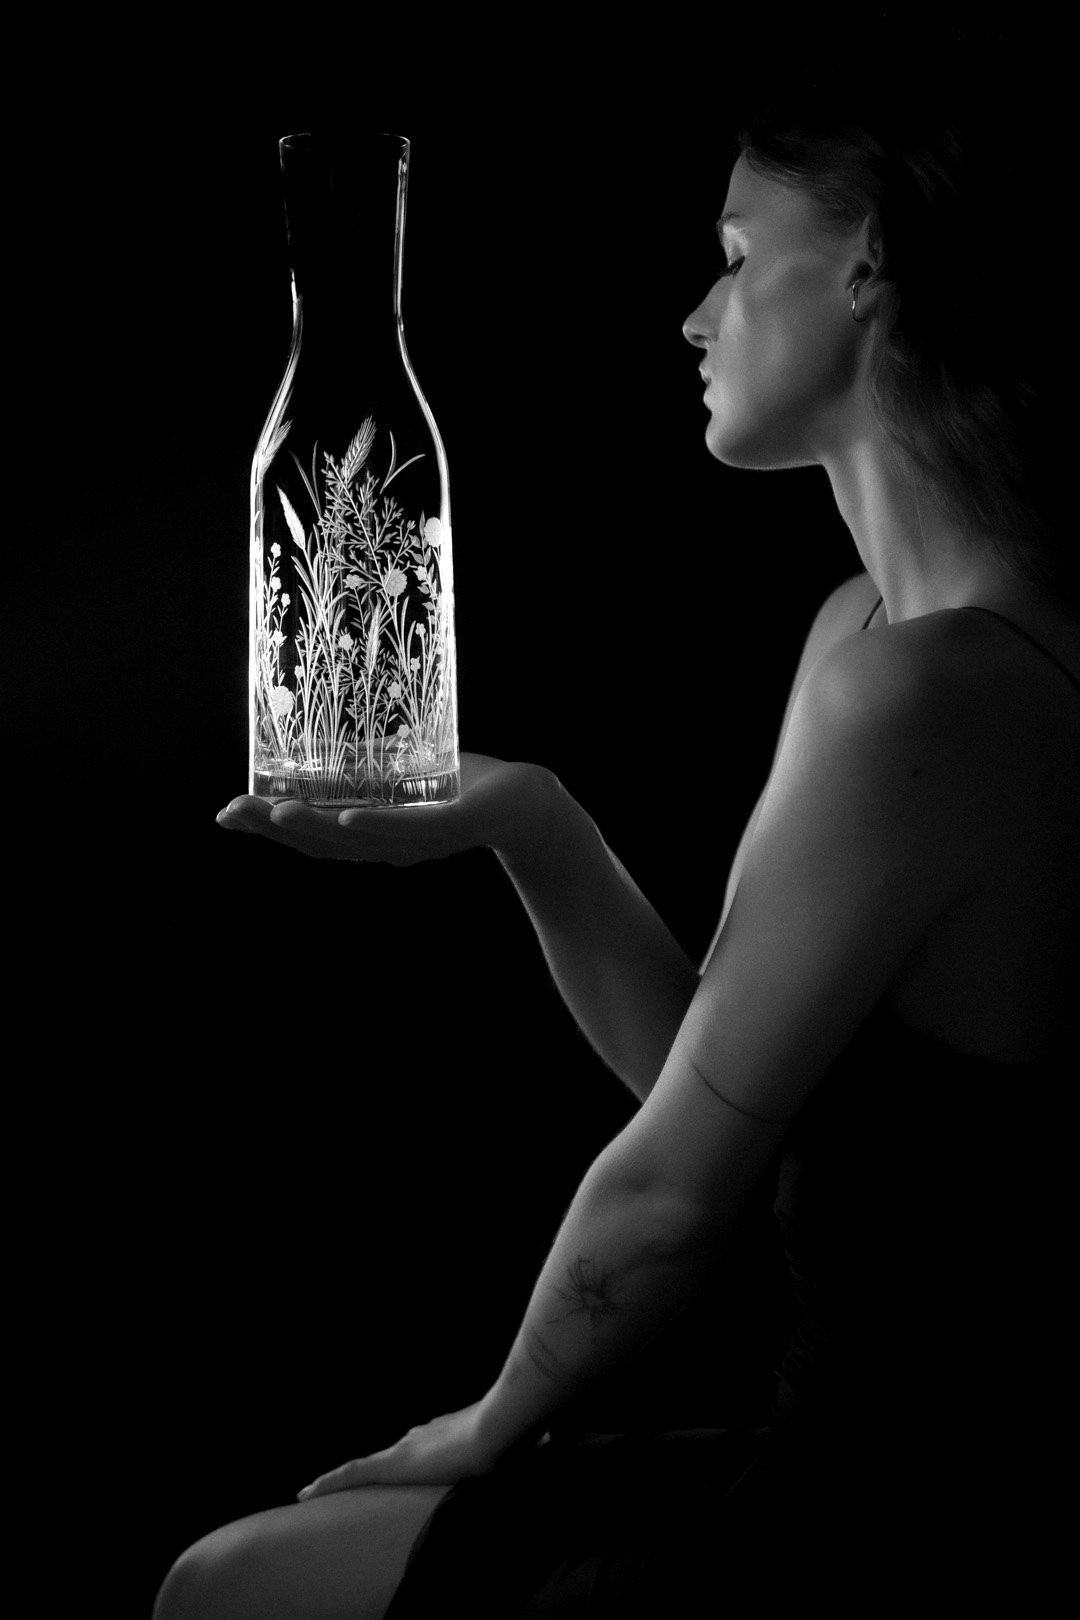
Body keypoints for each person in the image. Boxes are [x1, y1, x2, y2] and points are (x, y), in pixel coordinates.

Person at [154, 43, 1077, 1620]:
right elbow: (723, 1091)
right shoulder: (865, 633)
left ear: (869, 265)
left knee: (231, 1590)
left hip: (902, 1517)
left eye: (736, 258)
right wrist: (536, 823)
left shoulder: (934, 693)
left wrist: (488, 1427)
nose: (696, 316)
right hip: (836, 1457)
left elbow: (672, 1195)